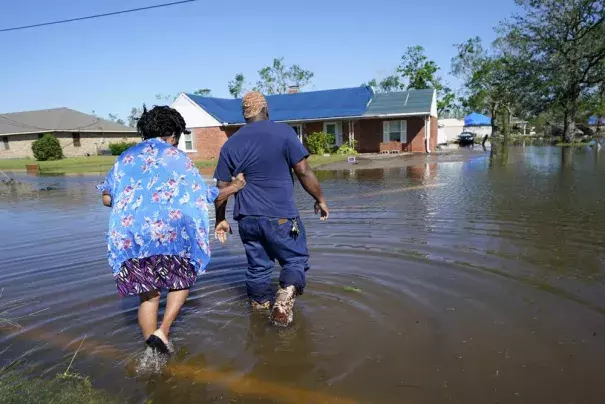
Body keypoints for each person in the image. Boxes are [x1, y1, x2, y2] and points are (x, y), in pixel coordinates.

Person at [98, 105, 245, 354]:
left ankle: (151, 351)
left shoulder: (126, 158)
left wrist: (135, 200)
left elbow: (107, 198)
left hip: (133, 239)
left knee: (148, 295)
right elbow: (202, 195)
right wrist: (235, 187)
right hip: (172, 237)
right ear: (174, 135)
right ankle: (163, 331)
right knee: (181, 281)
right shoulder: (177, 158)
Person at [213, 92, 329, 327]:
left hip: (247, 220)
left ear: (245, 115)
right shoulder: (284, 132)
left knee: (258, 267)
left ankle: (259, 309)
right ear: (266, 110)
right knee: (295, 259)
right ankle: (284, 297)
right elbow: (303, 170)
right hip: (281, 217)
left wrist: (220, 219)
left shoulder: (230, 144)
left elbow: (222, 188)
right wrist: (320, 199)